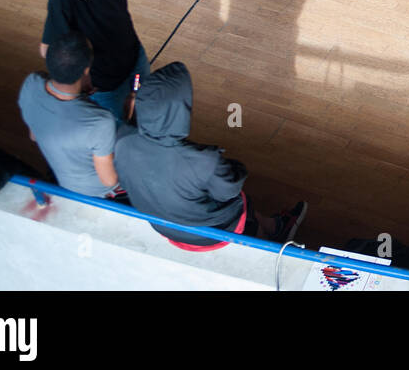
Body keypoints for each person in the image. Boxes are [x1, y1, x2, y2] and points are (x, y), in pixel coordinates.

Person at [114, 62, 307, 247]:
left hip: (161, 225)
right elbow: (229, 191)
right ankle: (272, 233)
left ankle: (269, 225)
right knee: (240, 200)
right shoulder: (204, 160)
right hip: (208, 236)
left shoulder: (121, 140)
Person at [19, 31, 127, 199]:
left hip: (63, 181)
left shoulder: (31, 83)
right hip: (100, 194)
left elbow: (34, 136)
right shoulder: (100, 121)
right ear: (86, 70)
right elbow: (109, 180)